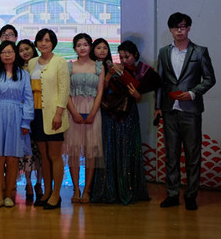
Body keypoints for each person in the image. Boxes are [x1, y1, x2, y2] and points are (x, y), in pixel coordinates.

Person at [157, 12, 216, 210]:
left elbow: (210, 79)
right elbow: (160, 82)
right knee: (171, 155)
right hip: (169, 110)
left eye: (183, 27)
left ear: (189, 28)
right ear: (170, 30)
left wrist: (192, 93)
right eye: (175, 27)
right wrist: (157, 107)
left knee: (193, 154)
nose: (179, 30)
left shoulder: (199, 51)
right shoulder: (164, 52)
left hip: (191, 110)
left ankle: (191, 195)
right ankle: (172, 194)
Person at [91, 40, 161, 205]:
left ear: (135, 55)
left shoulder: (143, 71)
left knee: (128, 149)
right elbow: (102, 90)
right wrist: (110, 75)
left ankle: (128, 189)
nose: (123, 60)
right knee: (110, 149)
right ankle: (108, 190)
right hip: (110, 114)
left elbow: (139, 97)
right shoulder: (114, 68)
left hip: (129, 114)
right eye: (121, 57)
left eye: (127, 57)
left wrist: (137, 95)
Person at [0, 41, 34, 209]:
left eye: (10, 52)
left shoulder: (23, 74)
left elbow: (28, 99)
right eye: (4, 52)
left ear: (15, 54)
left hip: (16, 117)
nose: (7, 55)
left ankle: (9, 196)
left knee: (12, 158)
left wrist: (26, 121)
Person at [26, 29, 69, 210]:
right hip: (36, 114)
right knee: (43, 157)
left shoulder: (60, 62)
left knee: (54, 156)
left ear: (53, 43)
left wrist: (58, 113)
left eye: (47, 40)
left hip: (53, 114)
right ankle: (47, 191)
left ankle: (56, 194)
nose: (43, 43)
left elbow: (64, 90)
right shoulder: (32, 62)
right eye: (40, 40)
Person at [64, 33, 104, 204]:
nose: (82, 48)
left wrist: (93, 113)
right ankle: (76, 189)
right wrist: (73, 112)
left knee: (90, 152)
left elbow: (100, 92)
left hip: (93, 110)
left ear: (90, 46)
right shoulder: (69, 67)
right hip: (73, 110)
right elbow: (65, 92)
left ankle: (86, 190)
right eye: (79, 45)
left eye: (85, 44)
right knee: (73, 151)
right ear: (74, 48)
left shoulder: (99, 67)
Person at [17, 39, 42, 200]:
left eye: (27, 49)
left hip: (40, 111)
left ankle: (39, 182)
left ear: (33, 49)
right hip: (23, 114)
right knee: (26, 151)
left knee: (40, 151)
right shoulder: (17, 70)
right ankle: (28, 183)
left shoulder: (41, 66)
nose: (25, 52)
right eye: (21, 50)